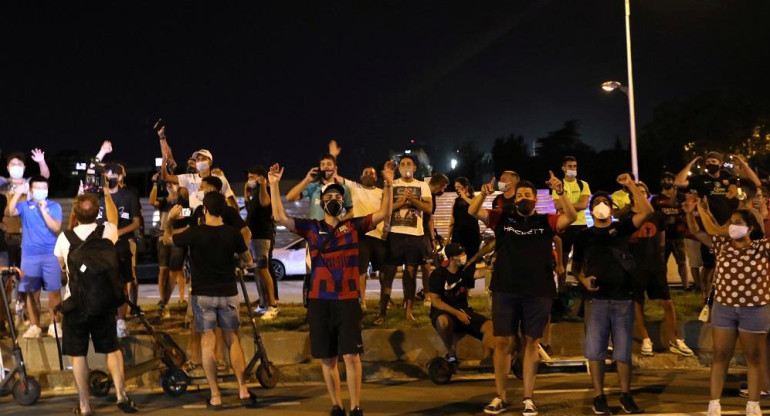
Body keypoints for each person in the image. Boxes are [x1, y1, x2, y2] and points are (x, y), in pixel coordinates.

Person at [268, 161, 393, 416]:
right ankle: (336, 405)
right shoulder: (311, 228)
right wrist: (273, 185)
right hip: (319, 300)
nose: (333, 199)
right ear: (321, 202)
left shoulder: (354, 226)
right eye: (329, 196)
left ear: (344, 203)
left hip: (348, 299)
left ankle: (355, 406)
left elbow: (382, 214)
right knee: (328, 358)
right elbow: (280, 216)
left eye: (338, 196)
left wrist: (389, 184)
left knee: (351, 356)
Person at [470, 173, 577, 416]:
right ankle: (501, 396)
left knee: (531, 342)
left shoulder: (546, 221)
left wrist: (560, 192)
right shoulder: (502, 218)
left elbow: (571, 217)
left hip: (538, 291)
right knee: (503, 343)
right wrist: (484, 194)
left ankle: (528, 398)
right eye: (520, 195)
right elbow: (474, 212)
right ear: (514, 199)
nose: (523, 199)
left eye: (528, 195)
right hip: (505, 289)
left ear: (535, 200)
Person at [161, 192, 257, 409]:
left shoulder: (194, 233)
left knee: (207, 341)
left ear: (204, 210)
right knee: (232, 339)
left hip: (203, 294)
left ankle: (215, 395)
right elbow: (247, 260)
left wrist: (169, 220)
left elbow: (167, 240)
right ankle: (243, 390)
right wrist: (236, 261)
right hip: (228, 292)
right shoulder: (233, 234)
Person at [571, 174, 652, 415]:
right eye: (596, 203)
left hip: (623, 297)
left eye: (605, 202)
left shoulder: (621, 227)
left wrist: (630, 186)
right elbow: (575, 268)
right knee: (595, 351)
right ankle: (599, 395)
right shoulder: (584, 236)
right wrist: (583, 280)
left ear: (612, 207)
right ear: (591, 209)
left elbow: (646, 211)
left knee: (623, 351)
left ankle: (626, 395)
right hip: (596, 300)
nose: (601, 206)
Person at [54, 192, 137, 415]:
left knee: (78, 353)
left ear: (75, 214)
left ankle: (84, 405)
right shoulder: (107, 231)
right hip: (103, 301)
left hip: (75, 304)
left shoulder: (65, 238)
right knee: (112, 348)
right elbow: (114, 219)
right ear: (97, 212)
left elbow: (61, 266)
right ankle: (121, 395)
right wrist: (107, 195)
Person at [684, 196, 768, 416]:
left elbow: (712, 228)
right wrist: (693, 211)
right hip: (725, 310)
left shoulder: (762, 247)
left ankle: (753, 404)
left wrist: (761, 211)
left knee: (754, 358)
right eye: (731, 221)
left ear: (750, 228)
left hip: (755, 310)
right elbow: (697, 231)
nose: (732, 226)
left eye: (738, 222)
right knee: (721, 355)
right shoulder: (720, 245)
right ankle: (714, 403)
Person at [622, 182, 694, 357]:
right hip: (636, 267)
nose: (641, 195)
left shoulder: (658, 216)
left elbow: (661, 241)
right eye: (637, 192)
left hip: (655, 265)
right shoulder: (626, 219)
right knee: (638, 303)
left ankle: (674, 339)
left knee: (667, 302)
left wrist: (658, 259)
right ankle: (646, 339)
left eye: (644, 192)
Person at [376, 155, 432, 324]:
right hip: (395, 234)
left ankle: (408, 312)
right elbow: (384, 209)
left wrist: (413, 199)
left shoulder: (422, 185)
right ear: (399, 168)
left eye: (409, 163)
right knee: (389, 274)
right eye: (403, 164)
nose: (406, 166)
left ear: (415, 168)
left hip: (415, 236)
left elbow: (429, 208)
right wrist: (400, 203)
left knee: (411, 275)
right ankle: (382, 313)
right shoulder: (393, 184)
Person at [5, 175, 62, 338]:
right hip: (29, 255)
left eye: (44, 188)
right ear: (31, 190)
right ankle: (34, 325)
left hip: (50, 254)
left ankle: (54, 324)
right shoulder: (24, 205)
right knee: (30, 291)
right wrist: (17, 193)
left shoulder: (54, 206)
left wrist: (43, 210)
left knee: (54, 291)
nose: (41, 191)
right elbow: (9, 212)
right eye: (37, 188)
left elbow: (56, 227)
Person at [95, 164, 141, 338]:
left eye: (113, 174)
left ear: (121, 177)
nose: (109, 176)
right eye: (106, 174)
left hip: (122, 242)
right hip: (101, 246)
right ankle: (106, 318)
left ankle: (121, 319)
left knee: (122, 281)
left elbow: (136, 222)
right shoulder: (97, 196)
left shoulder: (128, 196)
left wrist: (117, 233)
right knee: (102, 284)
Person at [429, 242, 494, 365]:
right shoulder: (438, 274)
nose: (464, 256)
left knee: (490, 326)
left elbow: (480, 273)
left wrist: (491, 265)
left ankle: (487, 360)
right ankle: (451, 354)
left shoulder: (464, 271)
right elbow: (436, 301)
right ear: (453, 257)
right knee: (442, 321)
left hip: (464, 311)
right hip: (446, 312)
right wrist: (457, 314)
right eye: (461, 254)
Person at [158, 126, 237, 208]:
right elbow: (168, 160)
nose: (199, 161)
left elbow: (231, 199)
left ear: (210, 162)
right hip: (191, 214)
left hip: (213, 218)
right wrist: (162, 138)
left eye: (203, 158)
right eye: (198, 159)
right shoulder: (187, 177)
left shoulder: (219, 179)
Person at [150, 174, 191, 318]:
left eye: (172, 184)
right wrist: (155, 184)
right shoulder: (164, 201)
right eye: (167, 184)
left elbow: (187, 218)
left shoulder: (184, 201)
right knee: (163, 270)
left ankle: (178, 298)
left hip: (178, 238)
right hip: (163, 237)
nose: (170, 186)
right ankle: (163, 301)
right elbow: (152, 201)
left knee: (176, 270)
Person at [244, 165, 278, 318]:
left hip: (262, 236)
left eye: (253, 177)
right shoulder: (254, 192)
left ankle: (273, 304)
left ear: (261, 177)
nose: (250, 180)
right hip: (253, 236)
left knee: (264, 270)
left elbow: (265, 203)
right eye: (249, 177)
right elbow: (250, 212)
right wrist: (246, 193)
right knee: (257, 271)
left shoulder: (265, 190)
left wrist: (264, 184)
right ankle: (263, 304)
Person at [651, 172, 690, 290]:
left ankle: (686, 286)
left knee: (682, 262)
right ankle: (663, 286)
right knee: (662, 263)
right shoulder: (656, 199)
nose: (667, 182)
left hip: (678, 234)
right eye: (664, 179)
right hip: (663, 235)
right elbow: (653, 216)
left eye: (669, 179)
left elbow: (687, 212)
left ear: (674, 182)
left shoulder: (681, 197)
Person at [552, 156, 591, 271]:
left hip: (581, 225)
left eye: (575, 166)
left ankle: (582, 285)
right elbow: (558, 206)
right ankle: (562, 288)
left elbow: (584, 205)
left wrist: (566, 205)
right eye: (570, 166)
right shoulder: (558, 185)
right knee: (562, 260)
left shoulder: (583, 184)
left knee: (584, 259)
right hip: (565, 225)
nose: (573, 169)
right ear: (563, 168)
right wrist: (574, 205)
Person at [446, 177, 481, 259]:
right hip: (458, 235)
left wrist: (464, 197)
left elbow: (475, 206)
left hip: (472, 234)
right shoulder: (455, 201)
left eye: (458, 187)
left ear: (466, 187)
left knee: (471, 260)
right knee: (457, 260)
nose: (457, 189)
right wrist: (448, 238)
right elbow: (452, 220)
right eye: (455, 187)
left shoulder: (475, 198)